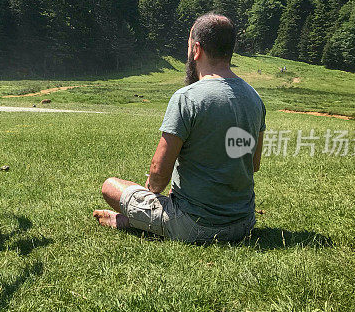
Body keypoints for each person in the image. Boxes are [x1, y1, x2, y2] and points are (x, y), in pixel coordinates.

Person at [93, 13, 265, 242]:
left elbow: (158, 174)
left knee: (110, 187)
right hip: (243, 223)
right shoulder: (254, 98)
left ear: (196, 49)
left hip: (194, 225)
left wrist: (150, 196)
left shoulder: (187, 98)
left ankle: (137, 222)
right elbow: (253, 164)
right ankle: (141, 222)